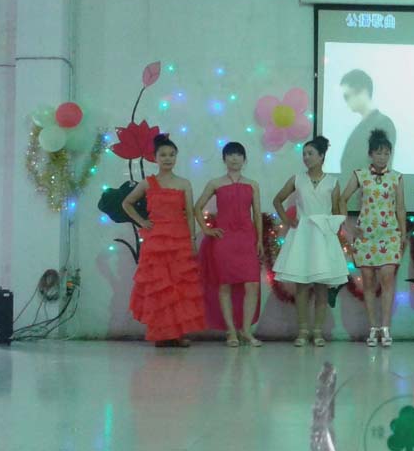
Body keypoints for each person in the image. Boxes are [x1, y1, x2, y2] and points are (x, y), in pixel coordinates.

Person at [122, 134, 205, 347]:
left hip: (179, 240)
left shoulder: (184, 183)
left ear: (176, 157)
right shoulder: (148, 183)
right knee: (159, 287)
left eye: (171, 155)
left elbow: (189, 213)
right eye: (163, 155)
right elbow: (127, 203)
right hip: (156, 242)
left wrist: (192, 239)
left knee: (178, 287)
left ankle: (178, 334)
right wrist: (142, 222)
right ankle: (160, 333)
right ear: (155, 158)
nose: (168, 158)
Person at [272, 136, 349, 347]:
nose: (306, 157)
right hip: (303, 235)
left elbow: (336, 210)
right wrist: (287, 219)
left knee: (322, 286)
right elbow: (277, 200)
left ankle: (318, 331)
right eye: (304, 154)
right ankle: (303, 330)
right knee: (302, 286)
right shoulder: (297, 179)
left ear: (322, 156)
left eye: (310, 153)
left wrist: (338, 230)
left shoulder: (332, 182)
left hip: (323, 236)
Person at [340, 129, 406, 347]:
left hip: (389, 235)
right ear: (370, 154)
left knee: (387, 279)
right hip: (366, 236)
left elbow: (400, 208)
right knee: (368, 282)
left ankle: (386, 328)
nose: (382, 157)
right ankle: (373, 328)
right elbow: (342, 198)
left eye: (386, 153)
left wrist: (402, 233)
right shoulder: (360, 175)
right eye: (378, 153)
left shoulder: (396, 177)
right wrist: (347, 227)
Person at [194, 142, 263, 348]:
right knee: (225, 285)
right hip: (224, 240)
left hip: (247, 238)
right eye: (230, 155)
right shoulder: (215, 183)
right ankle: (231, 331)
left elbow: (257, 214)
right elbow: (197, 207)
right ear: (224, 159)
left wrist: (259, 240)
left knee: (252, 284)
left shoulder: (253, 184)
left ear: (244, 159)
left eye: (238, 155)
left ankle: (246, 330)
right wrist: (207, 230)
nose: (234, 158)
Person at [338, 69, 397, 176]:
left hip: (369, 185)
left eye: (347, 96)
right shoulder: (362, 126)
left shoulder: (383, 123)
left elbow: (381, 166)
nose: (346, 101)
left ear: (363, 91)